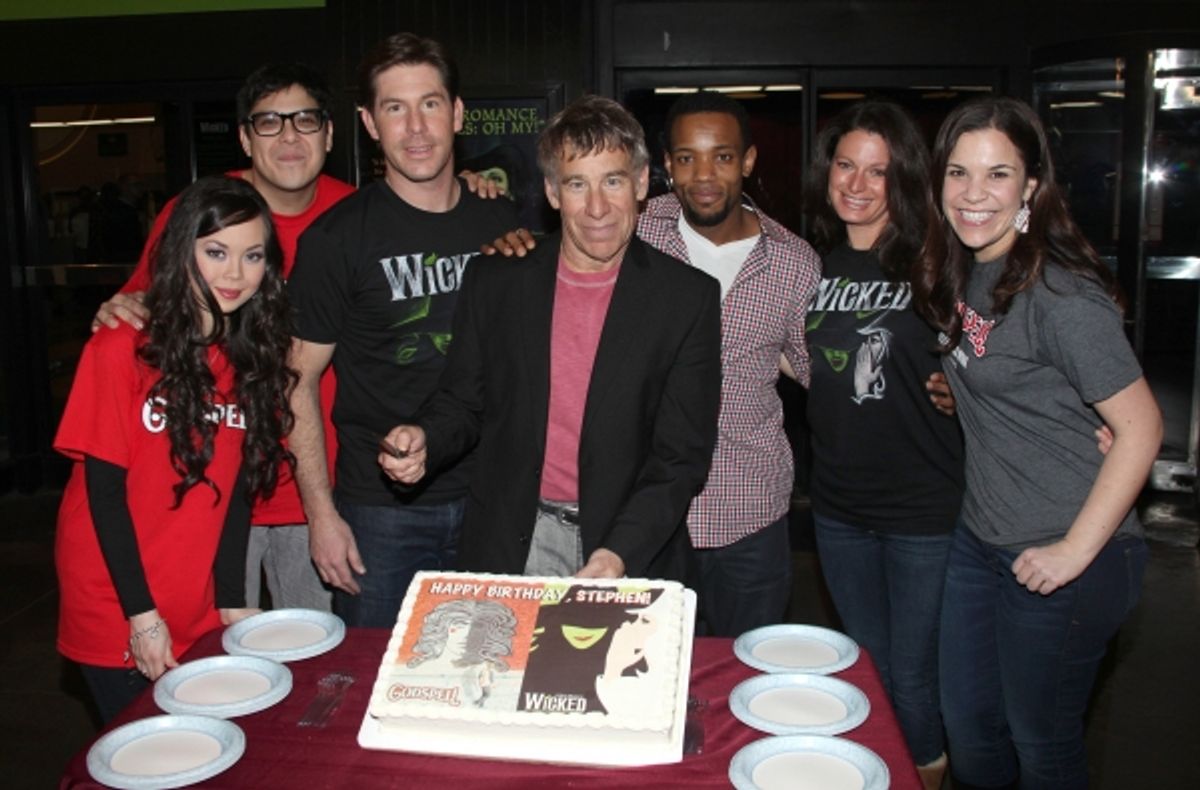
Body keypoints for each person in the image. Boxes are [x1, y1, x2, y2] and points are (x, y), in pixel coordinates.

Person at [477, 92, 822, 637]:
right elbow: (573, 228)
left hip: (747, 513)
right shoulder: (634, 224)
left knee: (741, 669)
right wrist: (508, 234)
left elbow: (817, 374)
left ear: (748, 161)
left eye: (722, 157)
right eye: (686, 157)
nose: (703, 174)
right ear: (663, 168)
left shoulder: (794, 262)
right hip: (640, 520)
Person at [912, 96, 1162, 789]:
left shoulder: (1059, 294)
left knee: (1041, 745)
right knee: (970, 732)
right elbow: (1008, 372)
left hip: (1068, 550)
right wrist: (959, 388)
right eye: (958, 173)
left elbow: (1142, 427)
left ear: (1030, 185)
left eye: (997, 174)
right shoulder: (966, 268)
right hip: (981, 540)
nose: (973, 194)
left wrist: (1073, 552)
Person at [379, 95, 721, 586]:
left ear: (642, 183)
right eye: (577, 184)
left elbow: (680, 458)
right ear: (552, 192)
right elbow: (463, 401)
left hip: (627, 545)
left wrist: (617, 556)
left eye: (613, 181)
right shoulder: (497, 280)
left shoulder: (687, 299)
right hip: (509, 540)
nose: (597, 207)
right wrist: (425, 439)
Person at [91, 62, 355, 614]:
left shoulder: (356, 216)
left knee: (310, 652)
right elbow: (144, 307)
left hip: (314, 493)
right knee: (213, 653)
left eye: (305, 120)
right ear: (244, 137)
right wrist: (121, 307)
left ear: (329, 134)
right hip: (206, 492)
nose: (289, 136)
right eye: (269, 122)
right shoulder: (198, 214)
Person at [286, 33, 519, 627]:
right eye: (395, 108)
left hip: (493, 499)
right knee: (373, 675)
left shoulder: (502, 219)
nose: (416, 127)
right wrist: (321, 516)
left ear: (457, 113)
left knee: (486, 665)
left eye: (430, 104)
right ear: (369, 123)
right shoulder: (336, 240)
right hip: (380, 513)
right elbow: (296, 381)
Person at [55, 176, 295, 722]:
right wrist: (142, 617)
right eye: (216, 252)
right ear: (182, 250)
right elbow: (103, 495)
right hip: (118, 604)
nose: (235, 274)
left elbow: (235, 493)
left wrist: (231, 599)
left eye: (253, 256)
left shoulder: (246, 357)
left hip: (194, 601)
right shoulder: (121, 344)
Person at [802, 100, 964, 790]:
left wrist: (966, 391)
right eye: (846, 165)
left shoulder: (938, 263)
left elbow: (1000, 357)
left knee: (913, 675)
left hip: (923, 512)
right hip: (838, 510)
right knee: (864, 665)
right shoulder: (813, 266)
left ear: (905, 179)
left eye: (879, 170)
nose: (858, 184)